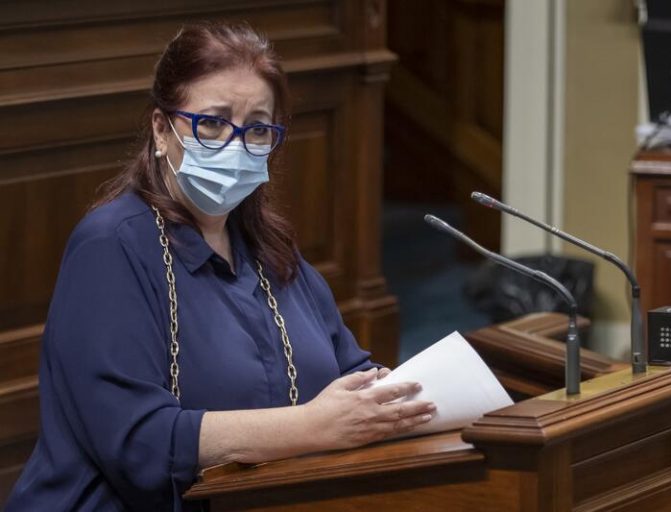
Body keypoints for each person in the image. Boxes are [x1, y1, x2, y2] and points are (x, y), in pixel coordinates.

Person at [5, 22, 435, 511]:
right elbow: (138, 439)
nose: (235, 146)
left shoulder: (269, 247)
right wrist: (313, 426)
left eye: (257, 129)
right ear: (161, 129)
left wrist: (413, 398)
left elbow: (351, 372)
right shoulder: (110, 246)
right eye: (212, 123)